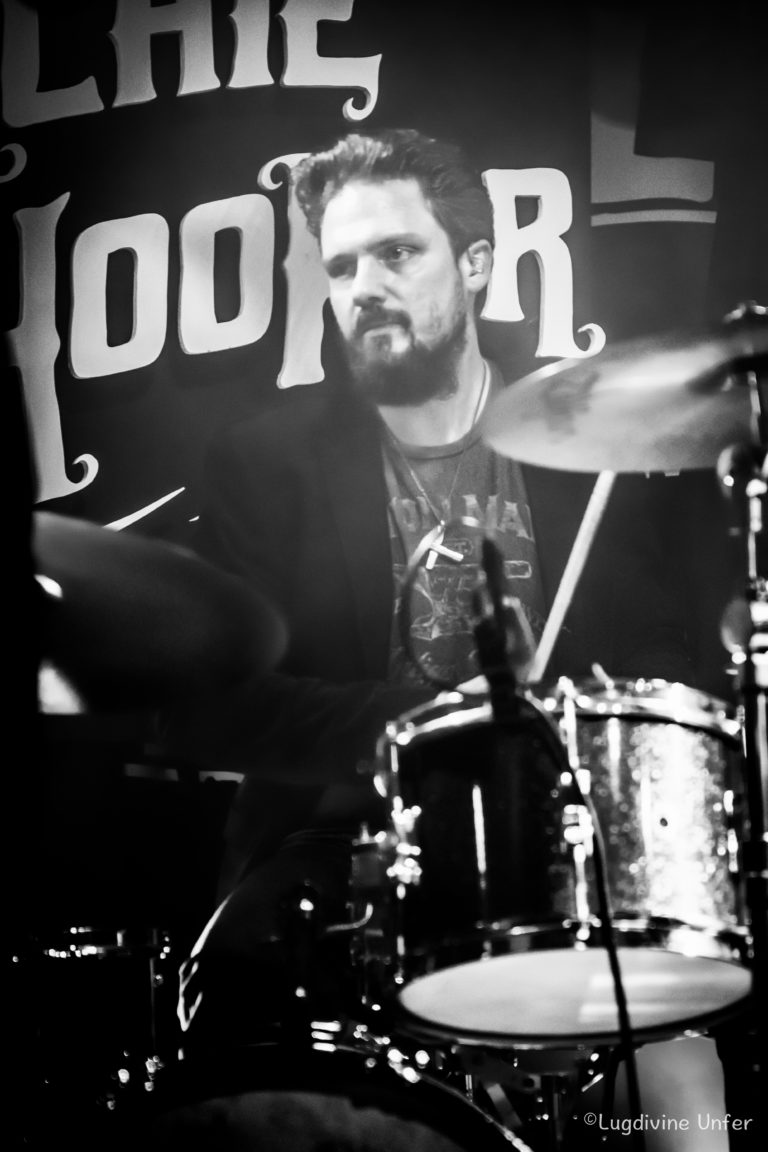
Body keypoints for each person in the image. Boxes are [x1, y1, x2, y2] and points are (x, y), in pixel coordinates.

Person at [166, 128, 694, 1053]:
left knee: (681, 1088)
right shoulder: (267, 463)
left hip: (560, 858)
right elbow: (227, 707)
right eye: (340, 267)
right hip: (340, 862)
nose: (363, 286)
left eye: (398, 253)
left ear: (476, 264)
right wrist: (440, 724)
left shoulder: (587, 445)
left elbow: (662, 659)